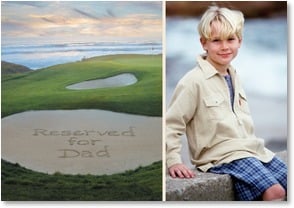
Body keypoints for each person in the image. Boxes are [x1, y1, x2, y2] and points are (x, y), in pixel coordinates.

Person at [166, 6, 287, 201]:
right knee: (275, 192)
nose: (224, 47)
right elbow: (171, 124)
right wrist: (173, 161)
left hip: (251, 150)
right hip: (220, 157)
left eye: (230, 39)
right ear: (203, 43)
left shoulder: (234, 75)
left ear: (240, 40)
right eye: (216, 41)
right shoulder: (193, 81)